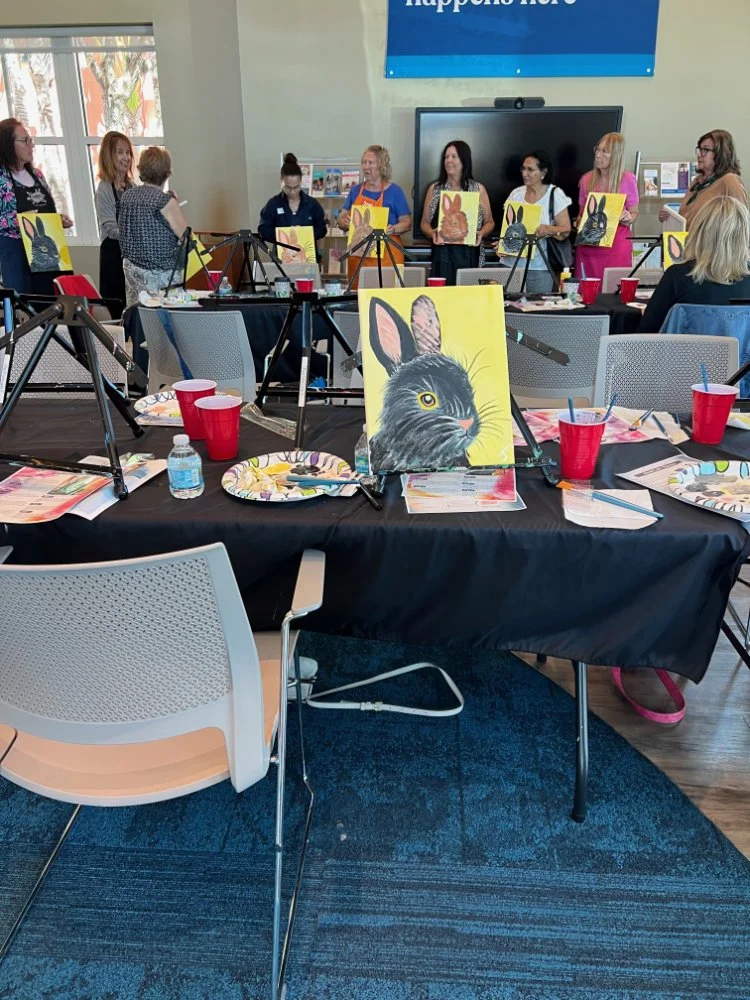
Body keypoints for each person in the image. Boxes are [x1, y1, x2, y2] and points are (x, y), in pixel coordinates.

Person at [640, 196, 750, 331]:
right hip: (741, 353)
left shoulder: (677, 277)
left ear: (699, 231)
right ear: (744, 235)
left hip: (684, 352)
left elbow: (646, 333)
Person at [0, 117, 73, 294]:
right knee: (30, 309)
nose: (31, 145)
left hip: (49, 254)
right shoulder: (2, 179)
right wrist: (22, 220)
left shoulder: (37, 174)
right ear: (8, 145)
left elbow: (45, 209)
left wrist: (57, 219)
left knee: (58, 303)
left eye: (30, 140)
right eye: (25, 140)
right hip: (18, 257)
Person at [118, 146, 188, 308]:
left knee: (141, 322)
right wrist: (175, 205)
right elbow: (186, 239)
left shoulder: (126, 197)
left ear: (140, 169)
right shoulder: (165, 202)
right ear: (167, 173)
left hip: (134, 276)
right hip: (162, 280)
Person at [419, 140, 494, 286]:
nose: (449, 161)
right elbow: (424, 223)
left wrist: (481, 233)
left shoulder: (478, 189)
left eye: (454, 157)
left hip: (471, 254)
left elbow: (490, 222)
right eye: (446, 157)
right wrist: (432, 232)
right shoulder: (435, 189)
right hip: (442, 256)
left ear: (464, 160)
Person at [497, 149, 571, 294]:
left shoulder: (554, 195)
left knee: (537, 308)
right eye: (523, 169)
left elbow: (566, 229)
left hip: (539, 267)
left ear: (543, 173)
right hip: (511, 264)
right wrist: (502, 243)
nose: (525, 173)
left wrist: (549, 229)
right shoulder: (516, 194)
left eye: (530, 169)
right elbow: (508, 226)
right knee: (508, 307)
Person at [338, 145, 411, 287]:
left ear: (381, 166)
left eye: (370, 163)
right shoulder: (355, 191)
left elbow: (407, 222)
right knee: (358, 301)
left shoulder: (395, 192)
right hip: (359, 259)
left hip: (387, 258)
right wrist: (345, 221)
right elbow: (341, 219)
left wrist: (393, 229)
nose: (366, 167)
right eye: (364, 162)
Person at [574, 133, 639, 281]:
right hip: (588, 247)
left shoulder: (628, 179)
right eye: (597, 150)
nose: (598, 155)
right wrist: (579, 223)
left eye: (605, 151)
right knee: (586, 294)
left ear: (615, 155)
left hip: (616, 248)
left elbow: (634, 212)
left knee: (613, 293)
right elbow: (580, 215)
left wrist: (628, 217)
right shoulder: (586, 180)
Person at [659, 130, 747, 230]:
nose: (699, 154)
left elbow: (741, 224)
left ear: (720, 153)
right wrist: (670, 217)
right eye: (700, 149)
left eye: (705, 150)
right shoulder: (697, 181)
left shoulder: (729, 181)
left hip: (712, 244)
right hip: (688, 243)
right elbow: (689, 217)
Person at [95, 130, 135, 318]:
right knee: (118, 307)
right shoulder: (104, 188)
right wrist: (135, 234)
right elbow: (110, 229)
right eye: (120, 152)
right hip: (113, 257)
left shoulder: (132, 187)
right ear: (108, 156)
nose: (126, 157)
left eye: (128, 152)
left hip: (132, 256)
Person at [258, 153, 327, 262]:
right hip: (281, 260)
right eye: (288, 188)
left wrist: (304, 233)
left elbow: (322, 229)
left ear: (301, 182)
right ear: (282, 181)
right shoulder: (273, 204)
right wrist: (283, 235)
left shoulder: (312, 204)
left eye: (296, 187)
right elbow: (263, 230)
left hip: (307, 259)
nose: (293, 192)